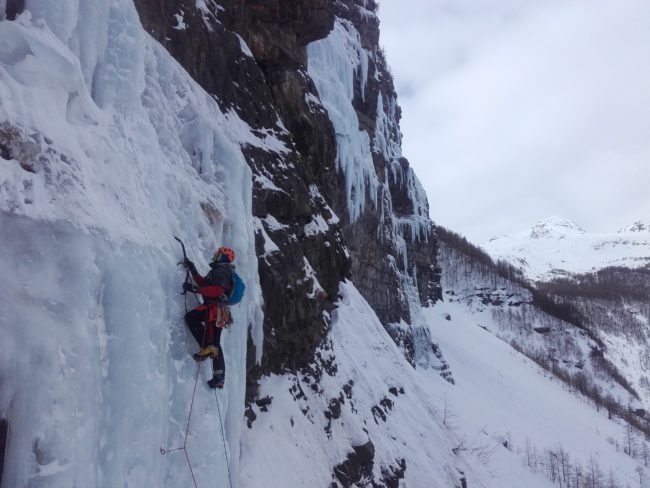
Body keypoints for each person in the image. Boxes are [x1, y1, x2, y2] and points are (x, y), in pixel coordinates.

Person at [183, 246, 235, 389]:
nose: (215, 255)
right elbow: (204, 283)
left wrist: (196, 290)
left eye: (218, 254)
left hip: (215, 309)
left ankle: (206, 347)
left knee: (192, 318)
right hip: (218, 311)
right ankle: (219, 376)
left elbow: (218, 289)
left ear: (223, 257)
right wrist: (193, 270)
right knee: (215, 343)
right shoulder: (219, 271)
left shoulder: (222, 271)